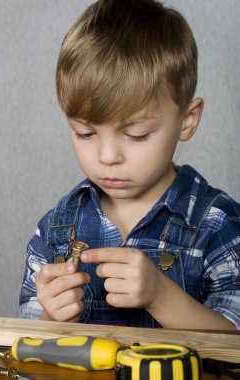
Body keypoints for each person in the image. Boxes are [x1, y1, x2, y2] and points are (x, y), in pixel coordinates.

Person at [18, 0, 240, 330]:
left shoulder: (217, 224)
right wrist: (52, 317)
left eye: (136, 135)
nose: (108, 156)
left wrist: (161, 296)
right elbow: (23, 342)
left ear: (187, 120)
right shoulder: (55, 230)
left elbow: (235, 342)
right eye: (86, 132)